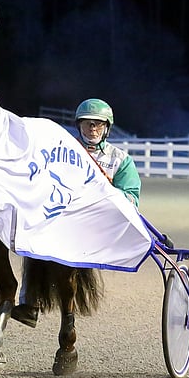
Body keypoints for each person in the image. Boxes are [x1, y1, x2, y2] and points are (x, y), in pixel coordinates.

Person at [11, 98, 142, 328]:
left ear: (107, 128)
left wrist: (106, 194)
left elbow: (131, 198)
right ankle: (29, 303)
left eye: (98, 124)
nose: (92, 128)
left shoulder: (120, 160)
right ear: (78, 125)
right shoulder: (63, 151)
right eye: (87, 123)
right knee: (32, 240)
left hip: (98, 223)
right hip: (64, 216)